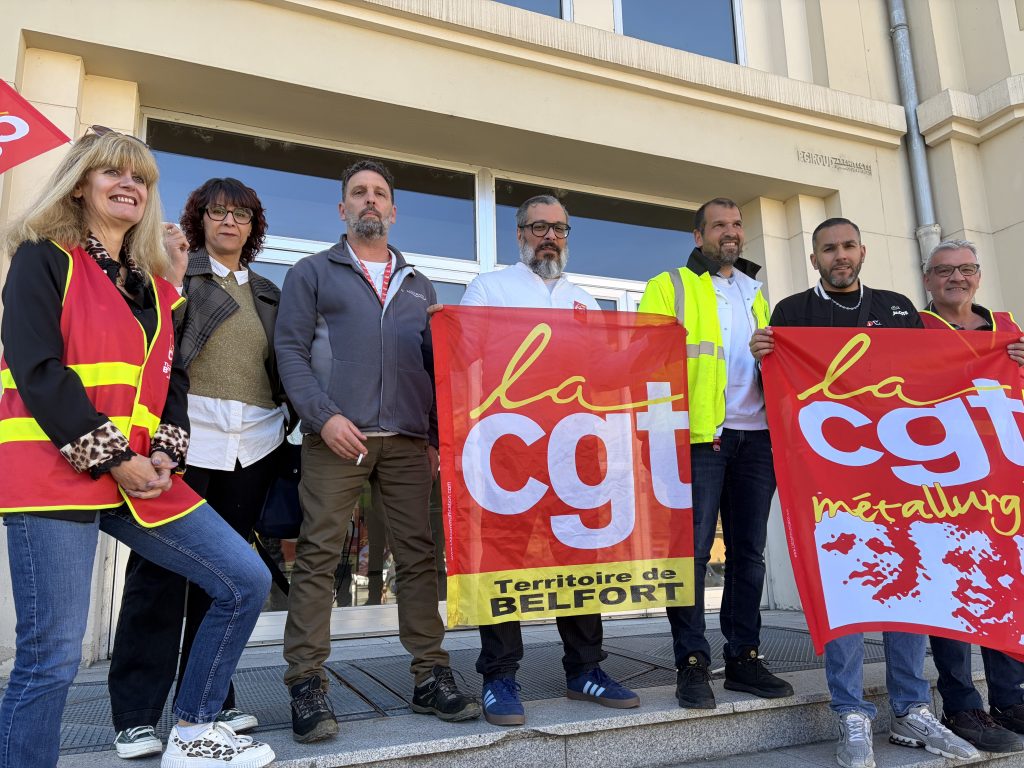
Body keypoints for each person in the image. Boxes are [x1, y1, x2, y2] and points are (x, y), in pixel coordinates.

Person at [0, 128, 273, 768]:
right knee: (54, 656)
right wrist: (113, 455)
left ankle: (194, 730)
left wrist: (165, 453)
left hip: (138, 474)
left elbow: (167, 375)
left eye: (142, 178)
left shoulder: (149, 281)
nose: (130, 185)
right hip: (53, 473)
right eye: (112, 173)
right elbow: (39, 370)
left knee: (244, 580)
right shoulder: (43, 258)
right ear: (79, 184)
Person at [750, 217, 978, 768]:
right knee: (848, 591)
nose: (840, 255)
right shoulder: (791, 314)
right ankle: (851, 714)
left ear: (863, 251)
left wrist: (1004, 361)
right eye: (828, 249)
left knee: (910, 586)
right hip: (829, 481)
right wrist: (762, 358)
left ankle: (911, 711)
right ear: (815, 260)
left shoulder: (899, 308)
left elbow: (939, 378)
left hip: (899, 474)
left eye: (848, 246)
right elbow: (775, 394)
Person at [275, 158, 479, 743]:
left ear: (393, 210)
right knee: (317, 558)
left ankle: (430, 676)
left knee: (418, 560)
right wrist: (324, 416)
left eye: (379, 194)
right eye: (359, 193)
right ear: (342, 209)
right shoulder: (312, 273)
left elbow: (436, 370)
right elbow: (289, 354)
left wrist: (439, 437)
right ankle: (307, 683)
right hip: (337, 438)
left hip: (410, 444)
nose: (370, 201)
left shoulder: (420, 285)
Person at [107, 178, 292, 759]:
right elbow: (156, 351)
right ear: (199, 219)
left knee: (228, 578)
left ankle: (211, 701)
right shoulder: (178, 275)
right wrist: (167, 272)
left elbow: (284, 362)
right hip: (183, 441)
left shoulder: (267, 291)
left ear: (254, 225)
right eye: (217, 212)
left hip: (253, 444)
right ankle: (135, 714)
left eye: (240, 214)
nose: (229, 222)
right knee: (157, 577)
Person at [458, 194, 640, 726]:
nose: (549, 237)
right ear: (519, 234)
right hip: (508, 447)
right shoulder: (489, 288)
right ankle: (499, 677)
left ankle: (585, 670)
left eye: (559, 229)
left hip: (571, 449)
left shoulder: (587, 300)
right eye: (539, 227)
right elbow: (466, 358)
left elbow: (602, 378)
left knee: (578, 559)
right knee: (505, 559)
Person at [637, 197, 793, 709]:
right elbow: (643, 357)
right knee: (692, 555)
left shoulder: (756, 292)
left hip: (758, 437)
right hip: (702, 437)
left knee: (748, 555)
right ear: (698, 235)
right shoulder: (670, 286)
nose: (731, 231)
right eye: (719, 225)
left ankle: (744, 658)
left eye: (737, 224)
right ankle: (691, 663)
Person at [916, 238, 1024, 753]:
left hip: (1003, 486)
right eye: (943, 271)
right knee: (952, 593)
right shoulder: (911, 330)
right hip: (939, 486)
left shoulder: (1010, 332)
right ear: (928, 279)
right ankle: (962, 705)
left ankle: (1011, 698)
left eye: (965, 269)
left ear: (978, 275)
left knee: (1003, 591)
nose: (955, 278)